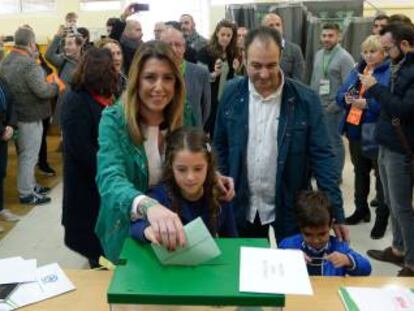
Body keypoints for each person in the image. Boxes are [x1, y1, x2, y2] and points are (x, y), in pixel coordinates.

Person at [95, 41, 234, 262]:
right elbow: (110, 179)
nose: (159, 87)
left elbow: (193, 152)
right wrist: (148, 206)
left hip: (173, 234)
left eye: (167, 78)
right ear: (136, 81)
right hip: (127, 231)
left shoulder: (184, 113)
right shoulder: (113, 120)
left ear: (177, 82)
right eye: (150, 77)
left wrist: (210, 175)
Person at [214, 27, 348, 244]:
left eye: (271, 65)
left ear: (281, 59)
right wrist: (220, 180)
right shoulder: (231, 93)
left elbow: (323, 157)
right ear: (244, 58)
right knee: (248, 272)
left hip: (291, 206)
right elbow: (220, 143)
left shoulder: (306, 100)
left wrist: (336, 212)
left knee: (294, 271)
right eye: (256, 66)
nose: (264, 74)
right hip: (242, 206)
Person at [361, 22, 414, 277]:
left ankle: (412, 261)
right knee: (391, 201)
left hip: (401, 149)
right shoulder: (397, 65)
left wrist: (375, 88)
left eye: (387, 48)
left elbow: (402, 109)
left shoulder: (412, 70)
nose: (384, 53)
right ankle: (398, 248)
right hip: (386, 142)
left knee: (402, 206)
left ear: (404, 45)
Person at [61, 47, 118, 268]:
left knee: (104, 245)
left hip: (101, 182)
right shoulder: (76, 100)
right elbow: (80, 149)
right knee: (94, 246)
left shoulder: (102, 96)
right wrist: (111, 169)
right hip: (87, 184)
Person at [131, 128, 237, 244]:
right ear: (171, 167)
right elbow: (134, 226)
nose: (190, 177)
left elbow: (232, 240)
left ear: (209, 166)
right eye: (182, 169)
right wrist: (146, 230)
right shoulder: (159, 196)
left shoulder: (220, 195)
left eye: (198, 169)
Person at [336, 35, 390, 238]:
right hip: (354, 129)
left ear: (383, 53)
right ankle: (361, 210)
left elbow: (388, 104)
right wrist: (347, 99)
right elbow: (340, 94)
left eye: (373, 51)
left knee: (381, 178)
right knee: (360, 172)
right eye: (365, 51)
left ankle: (382, 219)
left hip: (375, 132)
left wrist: (366, 104)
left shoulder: (387, 73)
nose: (368, 55)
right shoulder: (356, 70)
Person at [0, 27, 59, 205]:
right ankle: (26, 192)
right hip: (31, 116)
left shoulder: (7, 59)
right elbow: (42, 90)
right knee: (29, 156)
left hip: (15, 117)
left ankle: (31, 184)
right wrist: (57, 86)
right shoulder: (28, 63)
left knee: (24, 155)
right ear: (32, 43)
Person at [280, 191, 371, 276]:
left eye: (322, 234)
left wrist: (348, 260)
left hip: (330, 292)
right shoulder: (289, 245)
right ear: (299, 227)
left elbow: (367, 268)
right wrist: (289, 258)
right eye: (308, 234)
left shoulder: (338, 248)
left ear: (331, 225)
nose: (315, 240)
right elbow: (272, 262)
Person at [311, 23, 355, 184]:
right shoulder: (318, 54)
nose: (326, 39)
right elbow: (315, 80)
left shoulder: (345, 57)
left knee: (334, 142)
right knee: (320, 142)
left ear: (339, 36)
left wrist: (336, 106)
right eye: (324, 35)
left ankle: (336, 175)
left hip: (333, 108)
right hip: (318, 106)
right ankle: (323, 171)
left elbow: (352, 86)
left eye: (330, 36)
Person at [160, 26, 211, 127]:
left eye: (178, 45)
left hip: (192, 135)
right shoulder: (154, 74)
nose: (173, 49)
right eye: (168, 45)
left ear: (184, 48)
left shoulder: (201, 73)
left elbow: (205, 109)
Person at [197, 19, 238, 135]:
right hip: (208, 99)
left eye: (228, 35)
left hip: (225, 99)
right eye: (223, 34)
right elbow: (199, 79)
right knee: (207, 131)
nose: (225, 38)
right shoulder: (204, 52)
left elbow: (231, 79)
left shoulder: (232, 54)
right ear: (217, 34)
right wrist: (215, 73)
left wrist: (235, 69)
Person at [45, 26, 84, 128]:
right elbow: (48, 55)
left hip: (82, 108)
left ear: (79, 45)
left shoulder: (87, 62)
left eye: (70, 44)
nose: (66, 47)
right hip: (66, 107)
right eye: (65, 44)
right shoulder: (63, 60)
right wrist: (57, 36)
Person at [0, 76, 19, 233]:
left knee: (0, 173)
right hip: (1, 132)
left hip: (4, 134)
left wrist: (11, 125)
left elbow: (11, 102)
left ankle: (1, 209)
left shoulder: (2, 79)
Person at [262, 13, 305, 81]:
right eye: (271, 25)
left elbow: (298, 79)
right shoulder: (259, 50)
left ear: (282, 27)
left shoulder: (295, 50)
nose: (275, 28)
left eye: (278, 24)